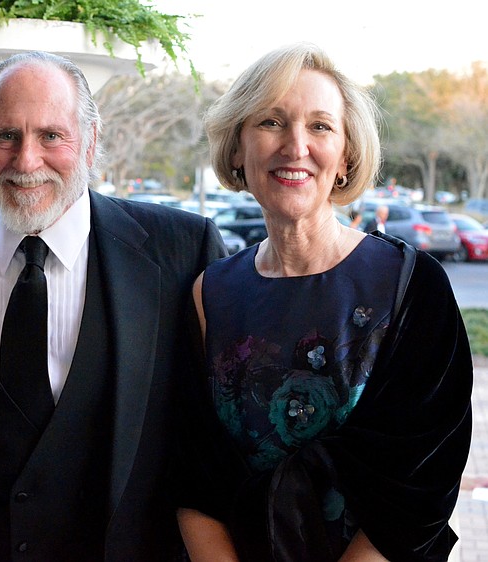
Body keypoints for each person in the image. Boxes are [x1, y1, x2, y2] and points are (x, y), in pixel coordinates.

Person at [0, 51, 227, 562]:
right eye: (5, 135)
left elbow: (217, 441)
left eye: (51, 136)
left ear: (91, 141)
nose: (26, 161)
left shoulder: (183, 252)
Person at [177, 43, 472, 561]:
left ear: (345, 158)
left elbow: (419, 488)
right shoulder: (210, 295)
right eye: (271, 121)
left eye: (320, 126)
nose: (295, 146)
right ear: (237, 150)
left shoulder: (410, 286)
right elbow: (193, 477)